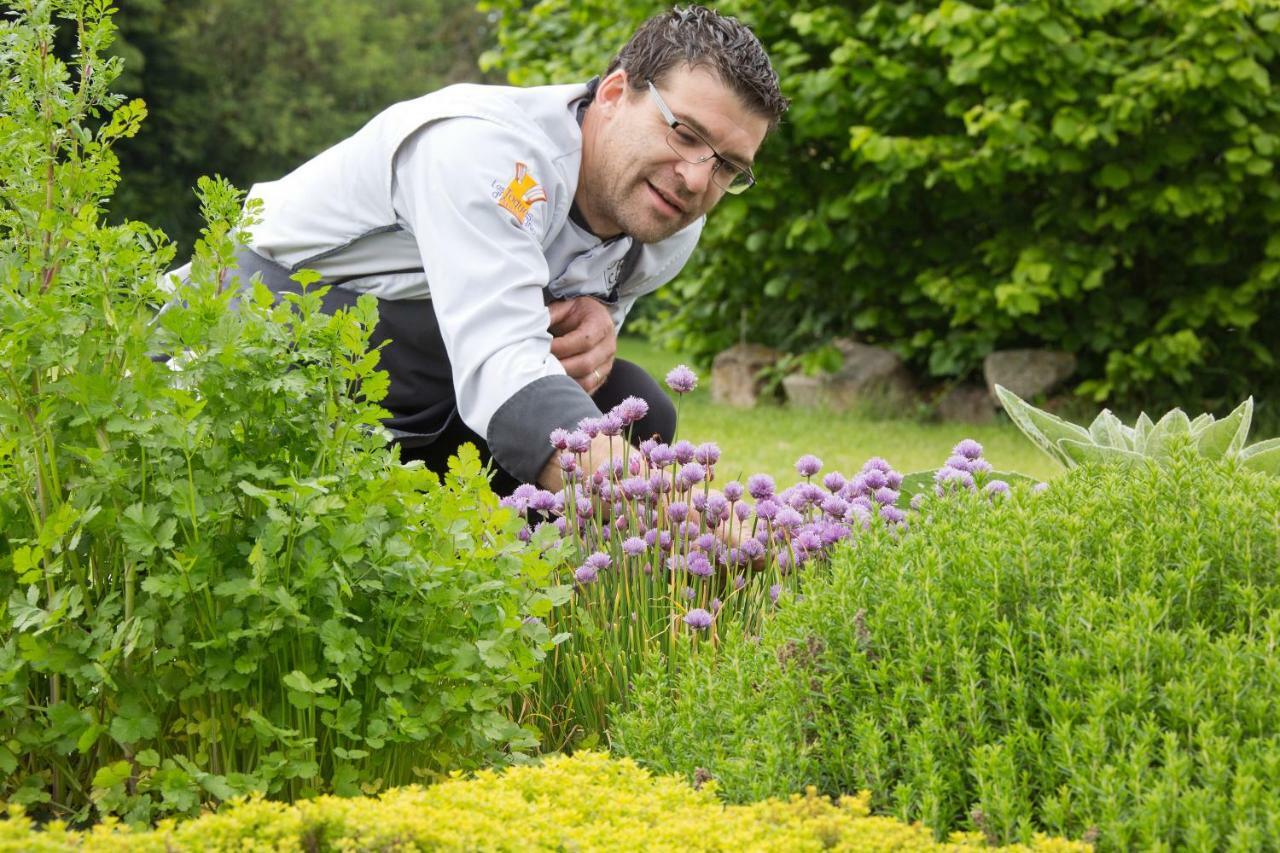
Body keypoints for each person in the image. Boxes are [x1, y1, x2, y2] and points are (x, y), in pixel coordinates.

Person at [190, 5, 787, 494]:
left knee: (635, 407)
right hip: (270, 347)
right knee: (578, 437)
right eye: (684, 133)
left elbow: (552, 366)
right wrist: (666, 508)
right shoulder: (486, 151)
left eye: (728, 166)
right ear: (612, 93)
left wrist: (594, 325)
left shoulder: (669, 219)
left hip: (430, 379)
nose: (695, 179)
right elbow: (503, 363)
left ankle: (553, 615)